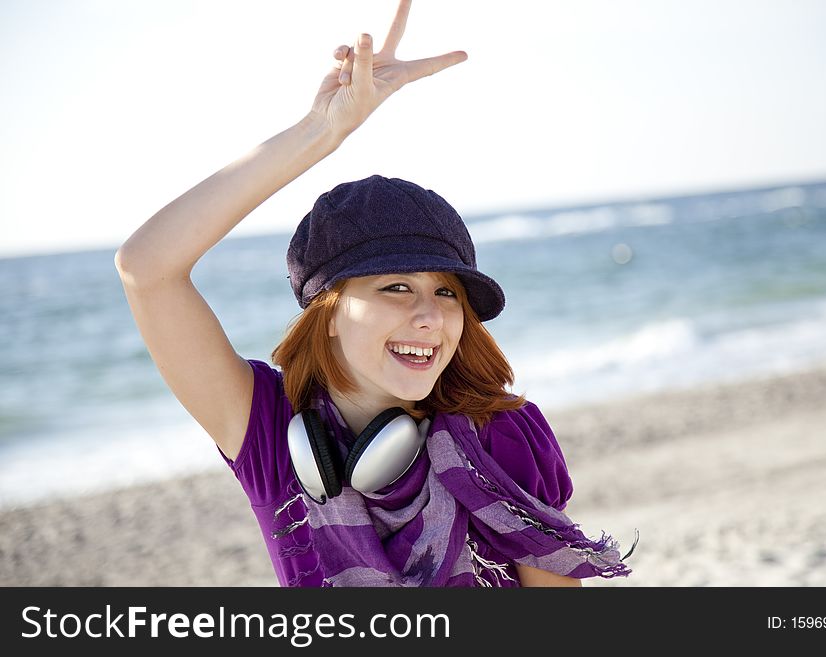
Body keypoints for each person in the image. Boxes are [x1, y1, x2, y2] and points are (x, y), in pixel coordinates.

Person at [115, 0, 636, 587]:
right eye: (395, 287)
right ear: (329, 311)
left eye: (446, 292)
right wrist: (323, 130)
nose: (430, 316)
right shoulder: (265, 430)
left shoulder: (500, 436)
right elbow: (146, 267)